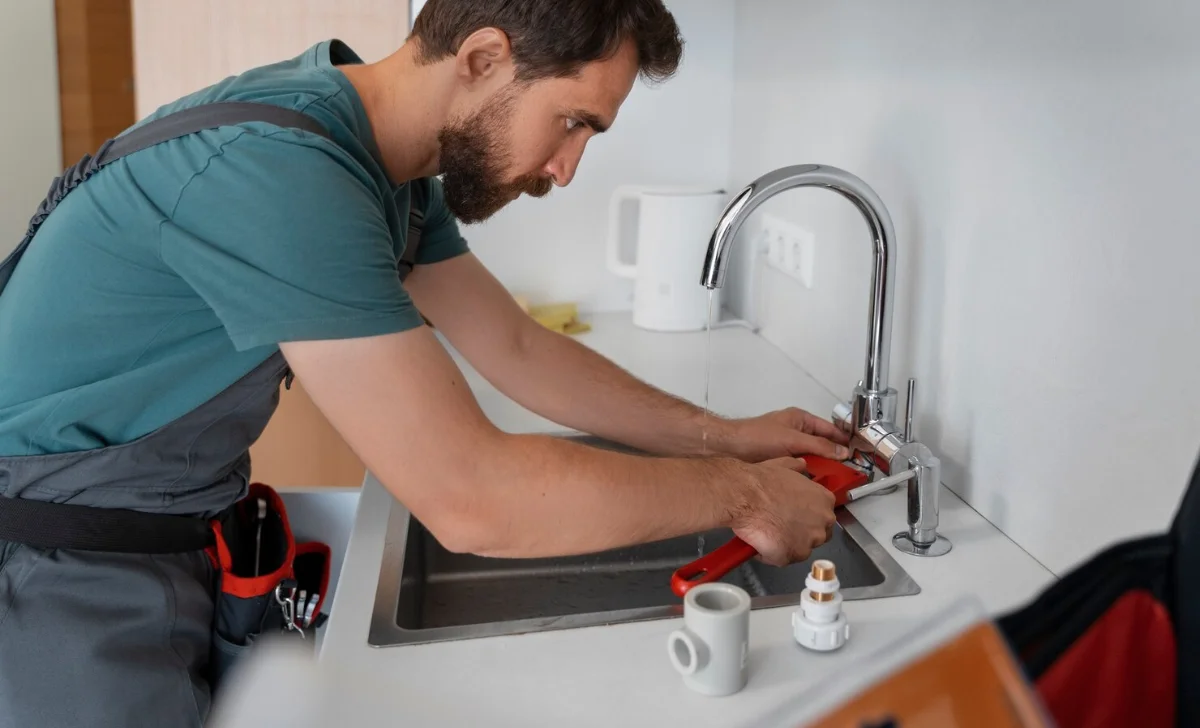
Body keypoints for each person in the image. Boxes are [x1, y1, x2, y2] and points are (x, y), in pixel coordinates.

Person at [0, 1, 849, 725]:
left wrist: (725, 436)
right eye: (573, 121)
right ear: (482, 58)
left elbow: (518, 348)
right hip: (54, 572)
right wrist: (743, 495)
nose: (566, 168)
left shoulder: (379, 170)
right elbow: (470, 497)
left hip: (150, 542)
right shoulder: (283, 174)